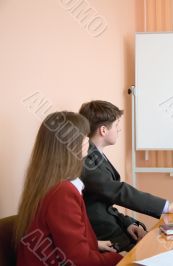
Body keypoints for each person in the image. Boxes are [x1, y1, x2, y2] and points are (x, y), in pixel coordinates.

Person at [79, 100, 173, 252]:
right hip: (104, 235)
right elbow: (117, 191)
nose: (119, 130)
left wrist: (128, 223)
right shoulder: (87, 159)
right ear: (103, 130)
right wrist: (168, 207)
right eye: (116, 125)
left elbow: (104, 203)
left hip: (115, 226)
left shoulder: (96, 155)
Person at [15, 111, 122, 266]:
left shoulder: (45, 183)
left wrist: (95, 244)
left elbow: (54, 239)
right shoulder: (62, 192)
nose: (88, 140)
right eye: (84, 136)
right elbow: (81, 261)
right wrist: (123, 259)